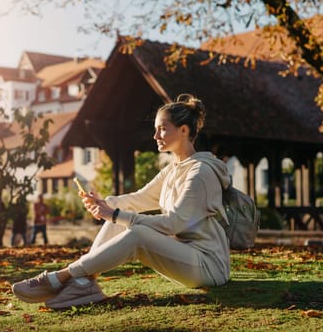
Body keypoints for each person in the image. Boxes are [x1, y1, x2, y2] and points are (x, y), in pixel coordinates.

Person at [12, 93, 231, 309]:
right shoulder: (173, 170)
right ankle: (85, 282)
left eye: (162, 129)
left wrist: (114, 214)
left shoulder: (201, 173)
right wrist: (105, 204)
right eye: (155, 129)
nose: (155, 136)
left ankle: (64, 276)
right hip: (185, 257)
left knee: (136, 232)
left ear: (184, 130)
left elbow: (173, 223)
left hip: (208, 266)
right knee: (122, 213)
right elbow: (137, 199)